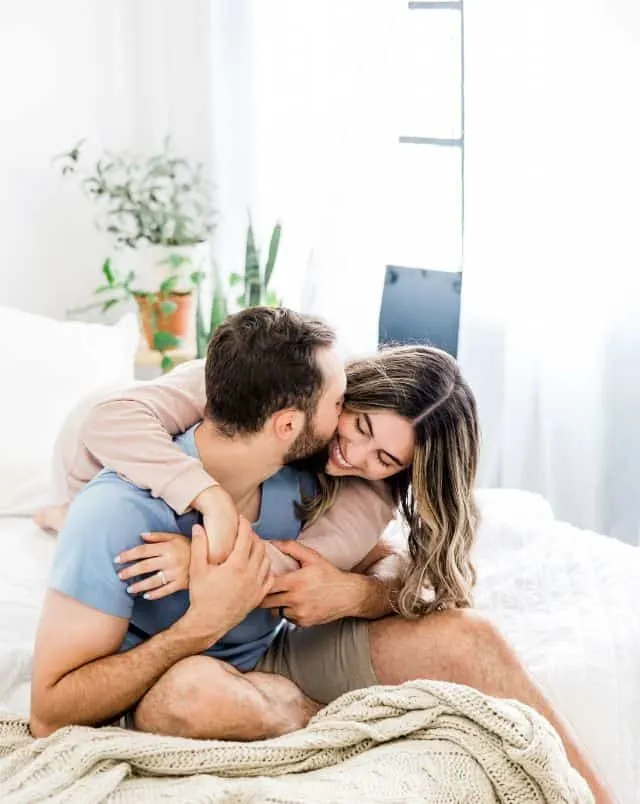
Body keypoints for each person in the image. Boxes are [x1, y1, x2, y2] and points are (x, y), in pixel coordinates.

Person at [33, 315, 612, 803]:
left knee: (473, 637)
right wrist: (209, 514)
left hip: (265, 646)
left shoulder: (335, 474)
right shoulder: (244, 401)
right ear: (313, 409)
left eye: (384, 456)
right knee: (189, 691)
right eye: (353, 420)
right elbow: (107, 422)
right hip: (160, 610)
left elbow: (352, 562)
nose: (353, 452)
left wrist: (357, 591)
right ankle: (327, 719)